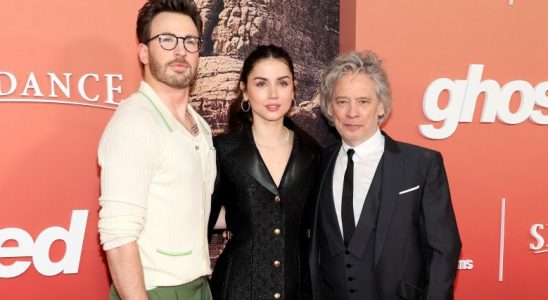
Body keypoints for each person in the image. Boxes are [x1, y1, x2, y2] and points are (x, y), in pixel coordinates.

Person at [309, 51, 462, 300]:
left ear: (381, 106)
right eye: (342, 101)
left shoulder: (421, 164)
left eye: (363, 101)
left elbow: (444, 248)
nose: (352, 112)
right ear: (329, 107)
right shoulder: (318, 163)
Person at [97, 1, 216, 299]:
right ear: (143, 52)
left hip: (198, 287)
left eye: (190, 41)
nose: (180, 51)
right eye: (166, 39)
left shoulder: (200, 125)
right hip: (153, 291)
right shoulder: (134, 123)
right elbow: (118, 235)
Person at [208, 44, 321, 300]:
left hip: (297, 287)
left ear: (293, 88)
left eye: (282, 83)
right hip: (237, 287)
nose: (273, 94)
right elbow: (200, 218)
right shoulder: (222, 150)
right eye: (261, 84)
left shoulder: (313, 152)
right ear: (244, 90)